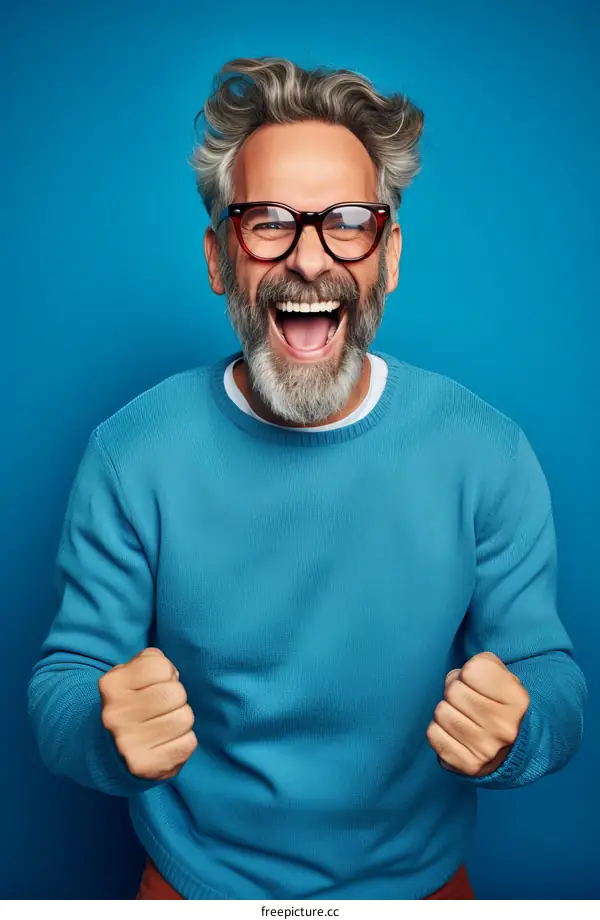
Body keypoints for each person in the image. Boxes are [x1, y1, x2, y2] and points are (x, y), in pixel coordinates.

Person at [28, 57, 586, 901]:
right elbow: (63, 683)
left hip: (419, 891)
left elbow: (550, 674)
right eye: (268, 222)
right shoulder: (132, 453)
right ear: (221, 257)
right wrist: (103, 734)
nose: (310, 258)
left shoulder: (487, 453)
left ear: (388, 257)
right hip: (196, 889)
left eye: (348, 222)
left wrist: (523, 730)